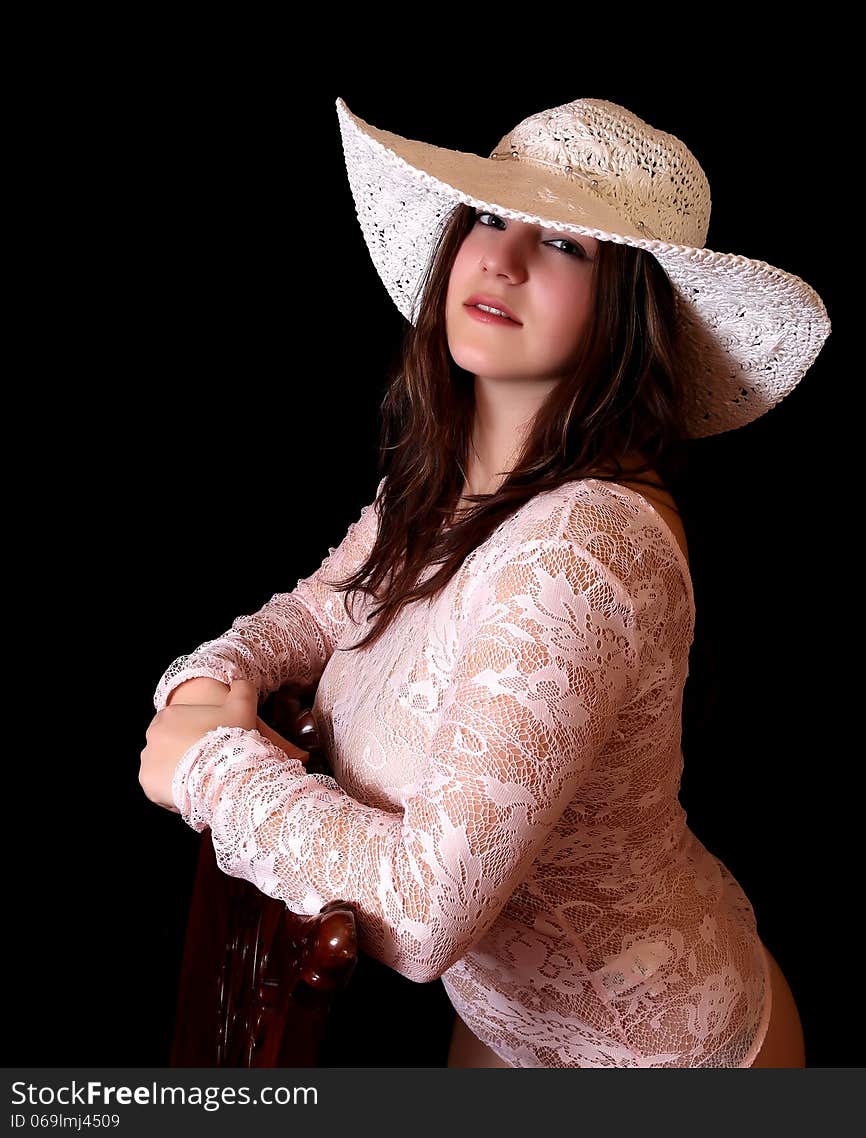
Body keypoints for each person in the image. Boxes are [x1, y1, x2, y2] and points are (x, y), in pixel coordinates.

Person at [140, 96, 829, 1067]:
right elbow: (321, 606)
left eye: (564, 246)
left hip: (655, 1054)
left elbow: (421, 914)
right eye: (492, 218)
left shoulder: (578, 554)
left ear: (626, 304)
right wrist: (211, 683)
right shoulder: (455, 474)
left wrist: (208, 769)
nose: (501, 259)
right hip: (505, 1024)